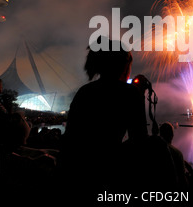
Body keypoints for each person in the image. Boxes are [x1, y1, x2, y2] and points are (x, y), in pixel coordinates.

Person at [59, 36, 148, 195]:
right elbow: (139, 140)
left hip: (79, 173)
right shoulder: (129, 94)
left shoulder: (84, 93)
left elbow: (70, 138)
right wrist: (140, 95)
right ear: (122, 64)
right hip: (110, 173)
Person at [159, 122, 188, 189]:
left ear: (160, 134)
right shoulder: (177, 153)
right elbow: (182, 178)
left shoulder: (152, 150)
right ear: (172, 135)